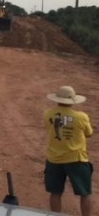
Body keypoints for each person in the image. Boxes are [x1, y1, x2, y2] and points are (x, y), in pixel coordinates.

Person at [44, 85, 93, 216]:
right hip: (76, 159)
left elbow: (49, 127)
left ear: (57, 99)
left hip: (54, 158)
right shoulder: (81, 116)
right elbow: (89, 133)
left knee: (55, 192)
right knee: (85, 192)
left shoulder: (48, 113)